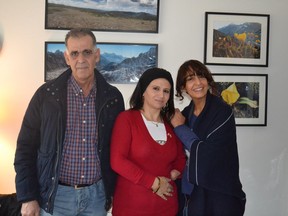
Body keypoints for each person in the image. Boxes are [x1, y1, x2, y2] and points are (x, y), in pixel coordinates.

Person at [14, 28, 125, 216]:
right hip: (55, 197)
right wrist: (27, 197)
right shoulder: (45, 96)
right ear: (67, 58)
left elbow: (117, 149)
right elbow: (25, 148)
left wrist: (113, 191)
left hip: (96, 198)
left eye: (87, 52)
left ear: (96, 55)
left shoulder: (113, 98)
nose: (81, 59)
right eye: (74, 53)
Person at [171, 60, 246, 216]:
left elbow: (208, 152)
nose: (198, 82)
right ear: (183, 87)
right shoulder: (185, 114)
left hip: (219, 196)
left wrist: (180, 128)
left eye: (201, 76)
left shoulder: (222, 112)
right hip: (188, 196)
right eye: (190, 78)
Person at [110, 68, 186, 216]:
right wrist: (154, 183)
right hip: (131, 207)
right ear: (143, 91)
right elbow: (117, 161)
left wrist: (175, 172)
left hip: (167, 207)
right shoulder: (126, 119)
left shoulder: (171, 123)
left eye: (166, 91)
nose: (161, 95)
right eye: (156, 89)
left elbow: (180, 157)